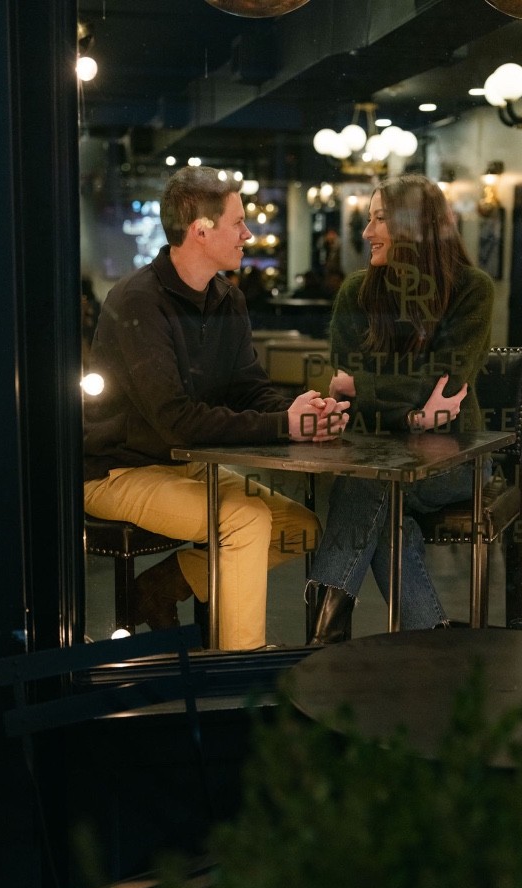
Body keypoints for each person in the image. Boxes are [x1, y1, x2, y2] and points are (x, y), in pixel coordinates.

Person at [83, 166, 349, 651]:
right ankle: (239, 662)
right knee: (246, 520)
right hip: (117, 471)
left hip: (185, 465)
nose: (248, 234)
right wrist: (284, 426)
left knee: (301, 527)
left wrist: (301, 413)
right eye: (238, 222)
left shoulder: (228, 299)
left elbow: (248, 388)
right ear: (201, 231)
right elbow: (176, 420)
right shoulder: (138, 301)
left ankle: (163, 585)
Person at [305, 174, 494, 644]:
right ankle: (430, 639)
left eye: (380, 220)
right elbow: (347, 394)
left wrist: (365, 385)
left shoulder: (471, 288)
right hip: (377, 456)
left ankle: (322, 637)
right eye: (368, 220)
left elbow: (445, 381)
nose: (366, 232)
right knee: (382, 498)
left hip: (456, 460)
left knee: (366, 484)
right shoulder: (356, 292)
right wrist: (412, 412)